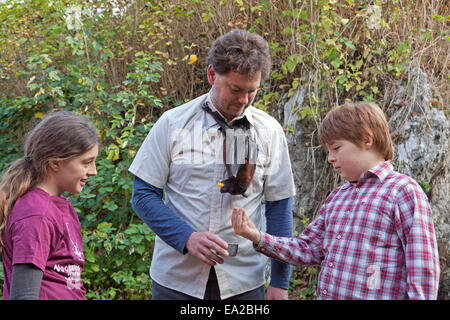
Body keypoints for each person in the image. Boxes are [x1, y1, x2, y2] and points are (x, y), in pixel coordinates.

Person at [129, 29, 296, 300]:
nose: (243, 100)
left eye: (252, 91)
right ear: (211, 75)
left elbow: (279, 206)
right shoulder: (172, 124)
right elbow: (143, 196)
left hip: (244, 282)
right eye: (236, 89)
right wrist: (186, 237)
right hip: (176, 281)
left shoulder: (269, 131)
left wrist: (280, 281)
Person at [232, 101, 441, 300]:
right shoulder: (337, 197)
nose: (330, 158)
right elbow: (306, 249)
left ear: (367, 140)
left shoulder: (402, 192)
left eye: (336, 148)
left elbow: (422, 268)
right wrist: (256, 236)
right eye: (328, 151)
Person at [0, 111, 99, 300]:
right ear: (55, 163)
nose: (93, 171)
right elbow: (24, 295)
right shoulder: (37, 214)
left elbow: (70, 281)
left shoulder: (61, 207)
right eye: (87, 163)